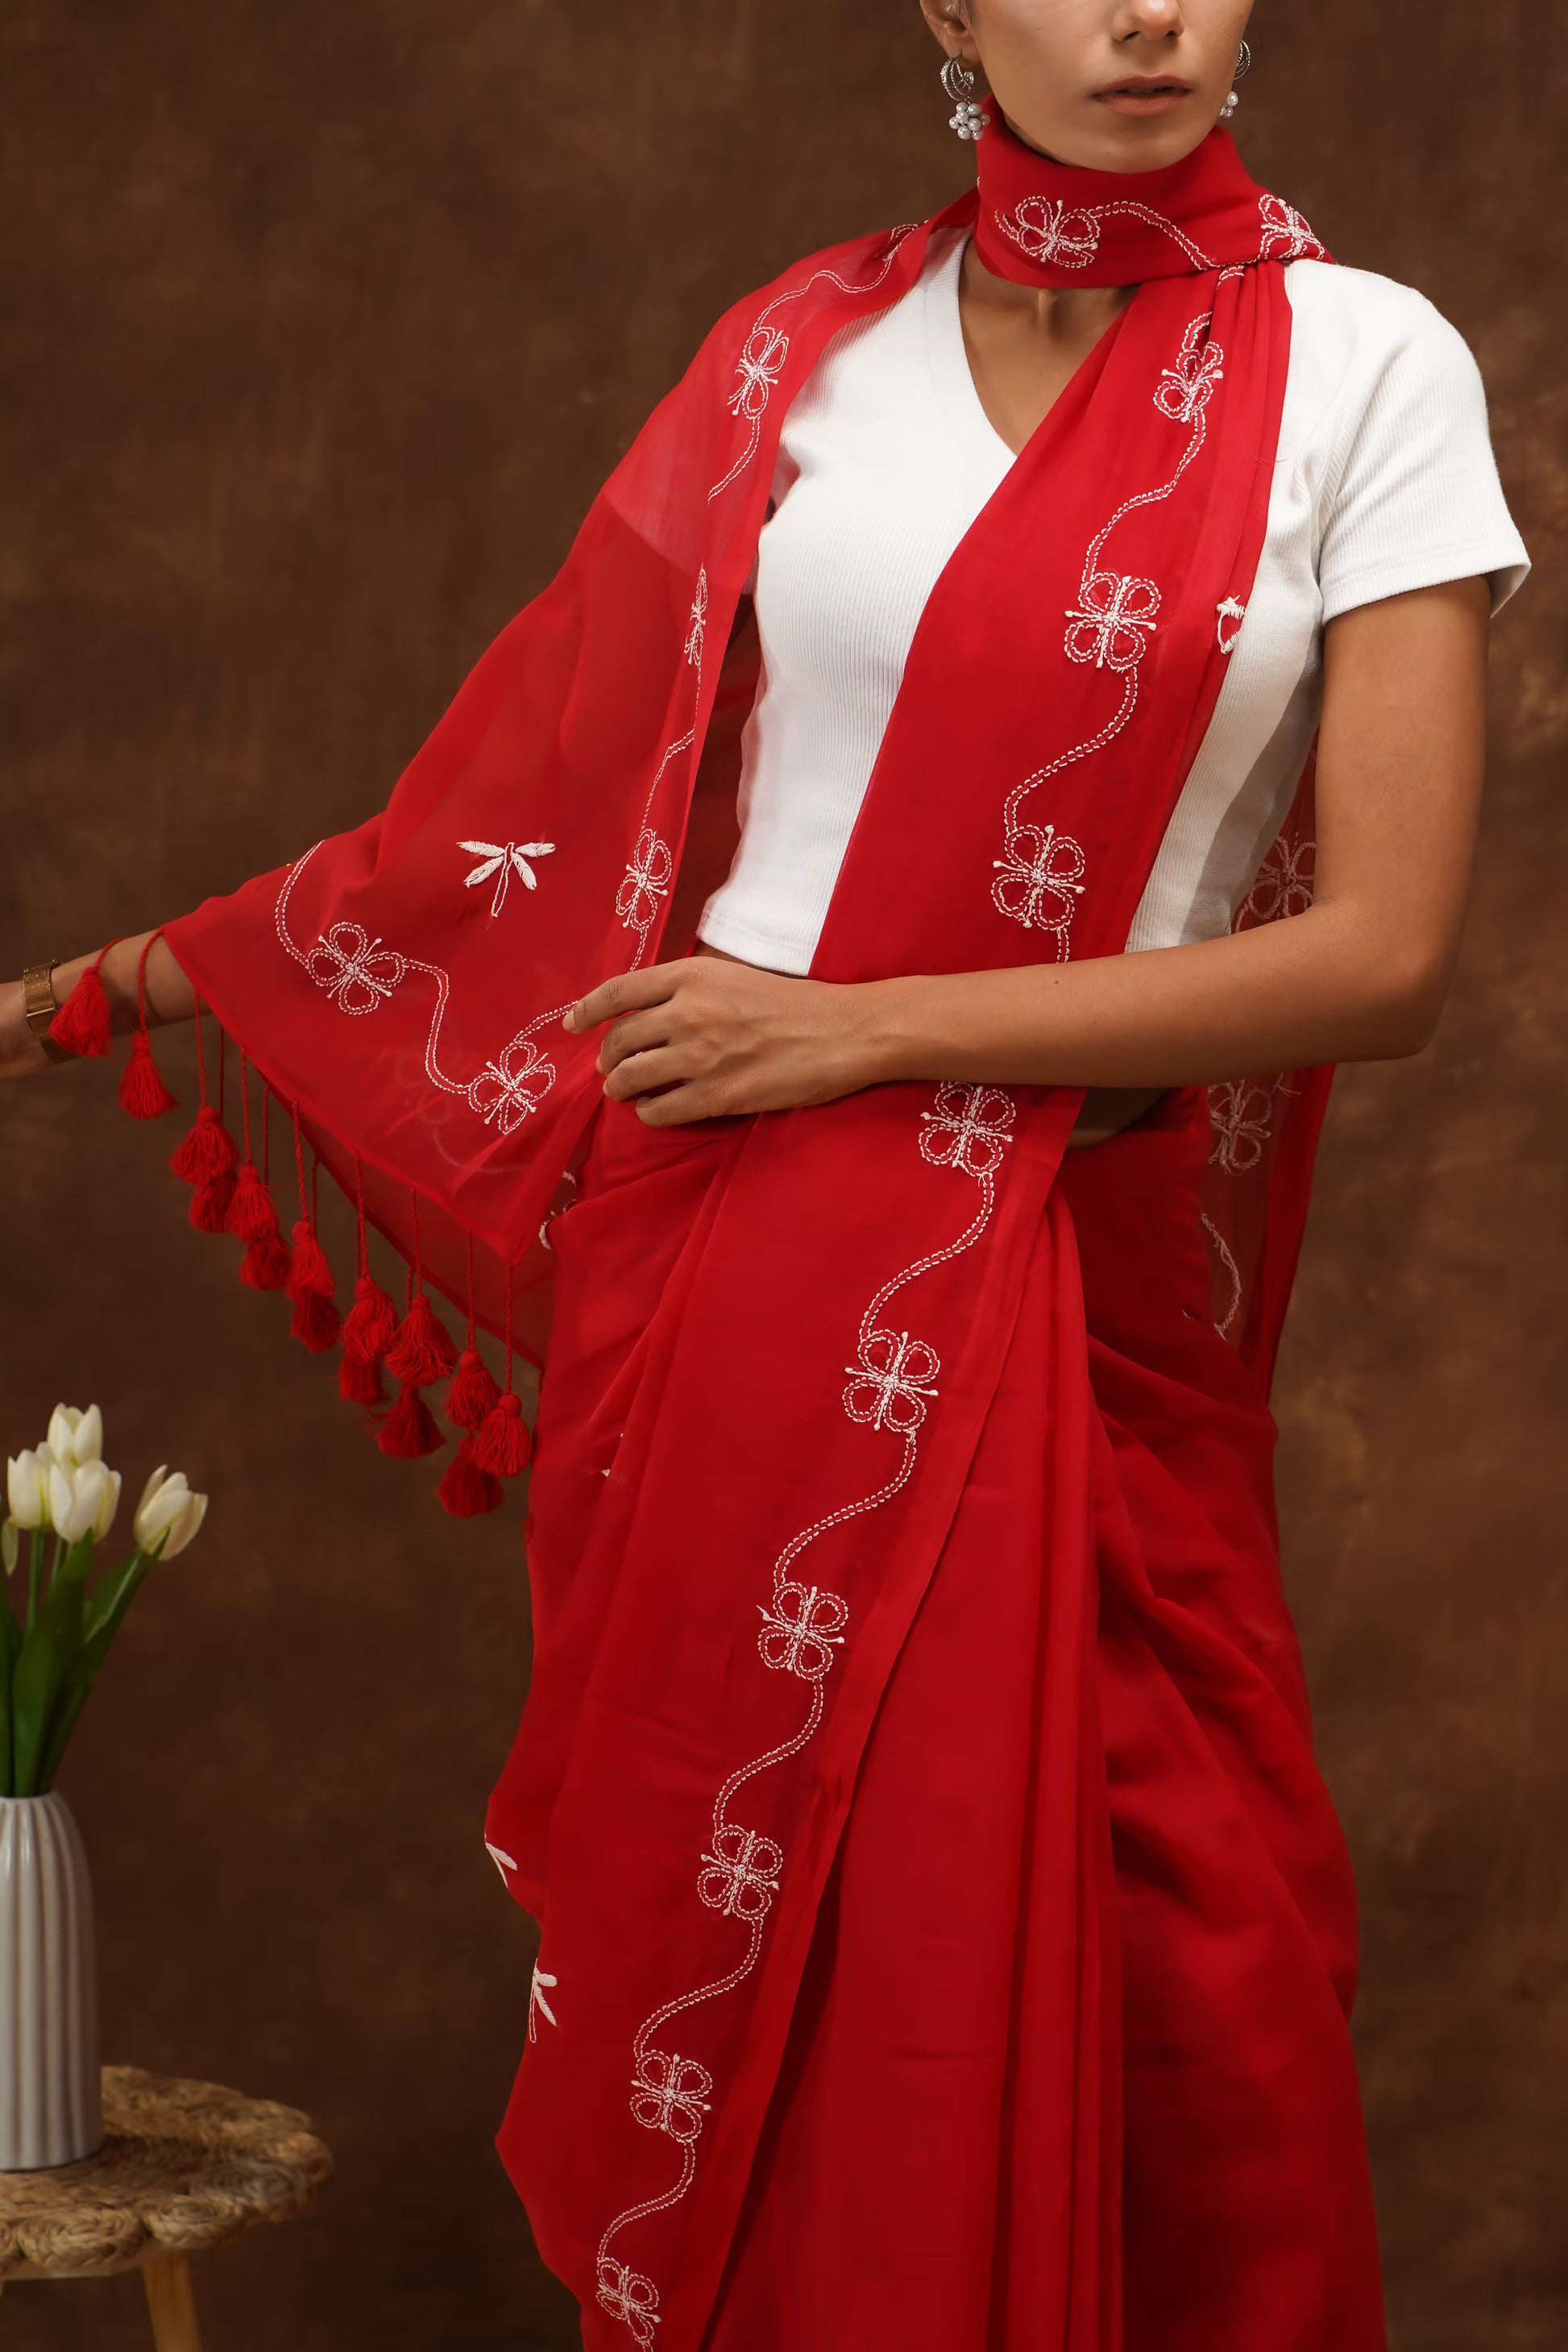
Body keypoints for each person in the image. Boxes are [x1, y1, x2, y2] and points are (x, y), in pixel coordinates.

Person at [2, 2, 1529, 2346]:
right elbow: (515, 812)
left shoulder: (1364, 362)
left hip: (1072, 1286)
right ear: (945, 11)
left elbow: (1381, 955)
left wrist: (861, 1031)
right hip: (737, 1273)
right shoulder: (798, 350)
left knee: (1175, 1991)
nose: (1143, 11)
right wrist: (152, 977)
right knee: (805, 1996)